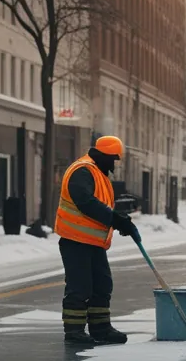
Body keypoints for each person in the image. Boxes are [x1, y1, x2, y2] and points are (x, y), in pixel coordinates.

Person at [54, 136, 140, 345]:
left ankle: (101, 329)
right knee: (80, 287)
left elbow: (101, 206)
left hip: (93, 242)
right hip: (75, 240)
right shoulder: (82, 171)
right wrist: (115, 220)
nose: (114, 165)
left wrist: (119, 221)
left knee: (102, 285)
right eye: (113, 159)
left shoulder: (98, 174)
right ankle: (74, 331)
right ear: (104, 156)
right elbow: (86, 202)